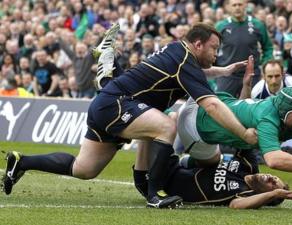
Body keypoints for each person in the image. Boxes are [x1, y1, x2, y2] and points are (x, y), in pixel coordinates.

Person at [2, 23, 258, 209]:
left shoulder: (177, 52)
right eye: (214, 49)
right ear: (198, 44)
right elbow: (212, 106)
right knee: (166, 126)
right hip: (117, 104)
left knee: (84, 169)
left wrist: (222, 71)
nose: (216, 54)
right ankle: (152, 194)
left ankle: (21, 162)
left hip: (108, 104)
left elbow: (198, 72)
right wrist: (243, 134)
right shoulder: (185, 62)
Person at [133, 148, 292, 209]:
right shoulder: (249, 165)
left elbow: (235, 206)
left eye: (272, 184)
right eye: (275, 177)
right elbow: (244, 135)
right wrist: (245, 86)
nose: (271, 178)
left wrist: (274, 195)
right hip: (172, 164)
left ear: (265, 194)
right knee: (166, 121)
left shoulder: (246, 194)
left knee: (159, 129)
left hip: (153, 184)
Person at [214, 0, 273, 97]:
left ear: (246, 5)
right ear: (228, 7)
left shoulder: (257, 24)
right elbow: (212, 49)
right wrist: (215, 71)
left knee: (252, 106)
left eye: (240, 4)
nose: (237, 7)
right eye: (234, 5)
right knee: (223, 106)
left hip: (252, 74)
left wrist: (265, 64)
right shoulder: (221, 26)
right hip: (227, 74)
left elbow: (268, 47)